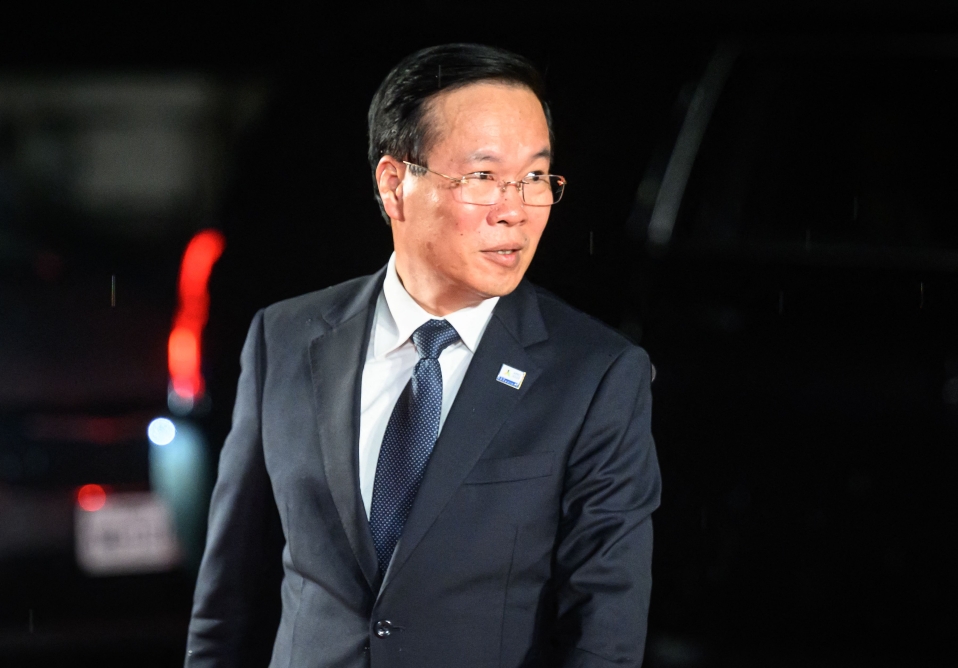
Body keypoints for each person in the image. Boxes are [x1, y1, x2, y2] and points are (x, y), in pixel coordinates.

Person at [185, 43, 661, 668]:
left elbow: (605, 634)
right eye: (484, 177)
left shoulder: (595, 374)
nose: (515, 209)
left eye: (536, 177)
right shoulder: (285, 338)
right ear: (395, 185)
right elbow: (230, 595)